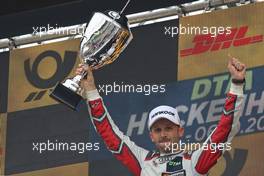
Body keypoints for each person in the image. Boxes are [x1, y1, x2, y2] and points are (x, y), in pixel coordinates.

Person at [75, 57, 246, 176]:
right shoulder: (143, 162)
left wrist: (237, 85)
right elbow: (110, 136)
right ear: (151, 135)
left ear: (180, 131)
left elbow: (223, 131)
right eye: (157, 129)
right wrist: (90, 89)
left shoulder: (194, 161)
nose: (163, 134)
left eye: (168, 128)